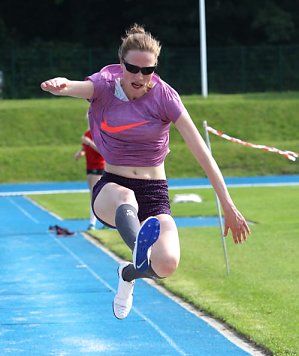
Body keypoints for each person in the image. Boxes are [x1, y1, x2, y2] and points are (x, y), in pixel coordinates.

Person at [41, 24, 250, 320]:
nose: (139, 77)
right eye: (132, 68)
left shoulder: (165, 97)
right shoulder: (105, 86)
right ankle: (140, 243)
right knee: (127, 197)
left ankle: (128, 272)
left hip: (154, 192)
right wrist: (63, 85)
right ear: (121, 64)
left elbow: (203, 155)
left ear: (155, 68)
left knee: (167, 264)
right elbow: (81, 87)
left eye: (147, 70)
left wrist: (229, 207)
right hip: (114, 187)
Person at [74, 128, 105, 230]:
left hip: (99, 166)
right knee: (93, 194)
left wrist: (89, 142)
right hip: (90, 166)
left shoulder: (102, 133)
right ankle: (98, 221)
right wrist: (80, 153)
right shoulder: (87, 133)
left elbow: (103, 151)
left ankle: (93, 222)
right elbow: (85, 148)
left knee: (95, 195)